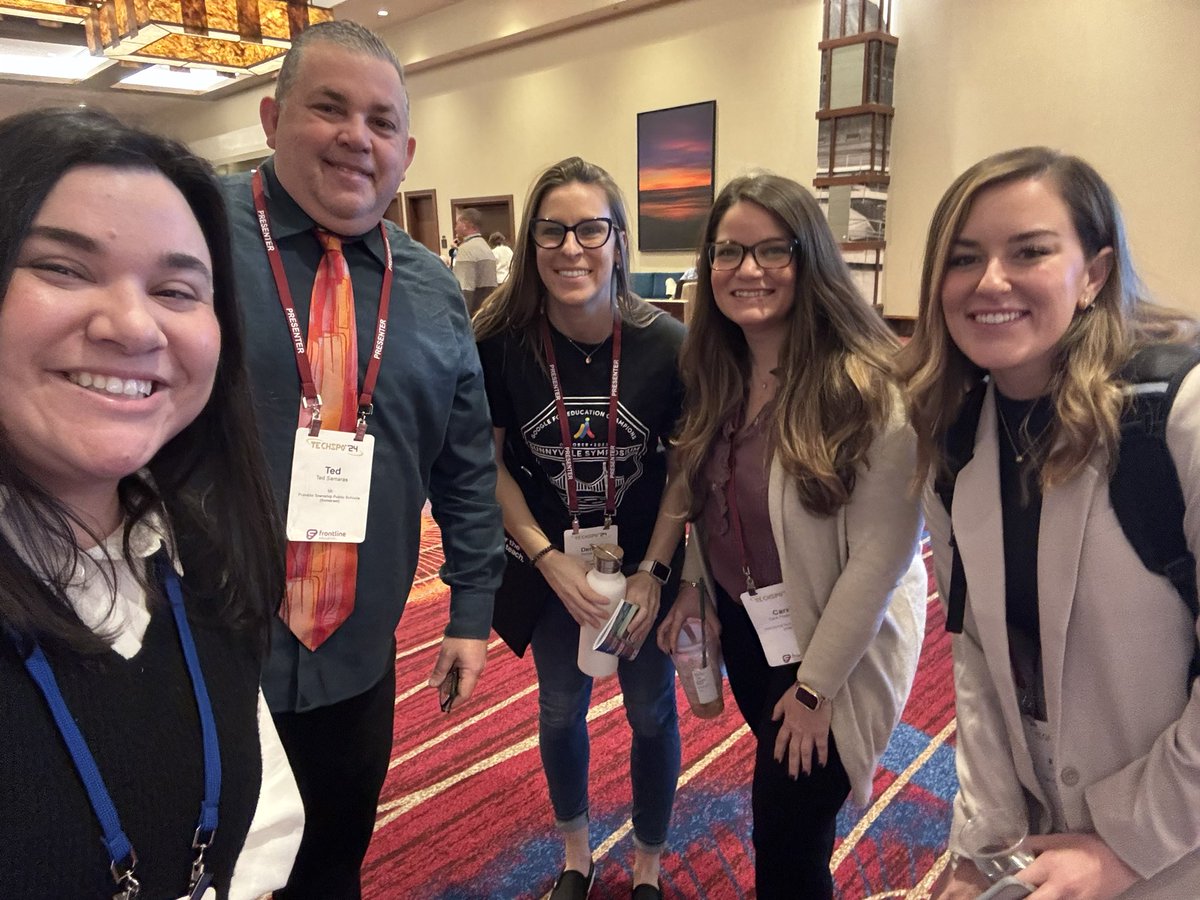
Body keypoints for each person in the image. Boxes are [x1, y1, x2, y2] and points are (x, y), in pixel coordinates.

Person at [221, 21, 504, 899]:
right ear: (271, 119)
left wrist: (470, 609)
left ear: (407, 150)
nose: (358, 137)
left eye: (382, 122)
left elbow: (463, 459)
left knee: (334, 865)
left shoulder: (428, 287)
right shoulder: (190, 233)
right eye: (329, 109)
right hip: (207, 651)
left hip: (356, 653)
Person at [0, 108, 303, 898]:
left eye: (175, 289)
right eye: (63, 269)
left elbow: (255, 815)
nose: (133, 325)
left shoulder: (197, 551)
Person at [902, 146, 1200, 899]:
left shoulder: (1176, 416)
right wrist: (981, 842)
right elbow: (974, 655)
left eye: (1029, 251)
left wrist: (1128, 846)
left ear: (1094, 273)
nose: (990, 281)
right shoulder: (954, 437)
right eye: (964, 258)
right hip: (1042, 837)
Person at [657, 172, 928, 900]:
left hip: (834, 653)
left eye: (771, 250)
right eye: (728, 252)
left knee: (786, 838)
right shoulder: (718, 366)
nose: (747, 270)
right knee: (784, 815)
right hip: (750, 631)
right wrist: (689, 585)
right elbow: (706, 493)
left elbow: (881, 559)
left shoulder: (869, 387)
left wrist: (815, 690)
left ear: (810, 259)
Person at [474, 157, 687, 900]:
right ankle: (576, 856)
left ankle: (650, 866)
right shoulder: (501, 342)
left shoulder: (668, 344)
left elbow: (685, 474)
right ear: (531, 245)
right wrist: (543, 559)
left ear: (619, 241)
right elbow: (489, 466)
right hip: (551, 567)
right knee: (561, 709)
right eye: (552, 231)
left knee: (651, 714)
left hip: (642, 568)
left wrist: (655, 574)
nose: (572, 248)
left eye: (591, 228)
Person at [452, 207, 498, 313]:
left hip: (471, 316)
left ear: (465, 225)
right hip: (485, 313)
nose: (455, 228)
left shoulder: (466, 250)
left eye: (457, 223)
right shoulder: (486, 248)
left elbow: (464, 290)